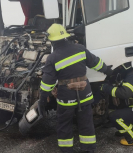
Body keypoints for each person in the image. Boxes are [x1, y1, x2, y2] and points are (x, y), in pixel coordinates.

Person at [39, 23, 113, 153]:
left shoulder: (52, 57)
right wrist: (108, 70)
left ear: (52, 41)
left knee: (64, 124)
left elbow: (47, 83)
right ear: (65, 37)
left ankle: (67, 150)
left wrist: (42, 99)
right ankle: (89, 149)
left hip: (66, 97)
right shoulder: (80, 48)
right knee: (86, 123)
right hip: (85, 93)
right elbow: (96, 63)